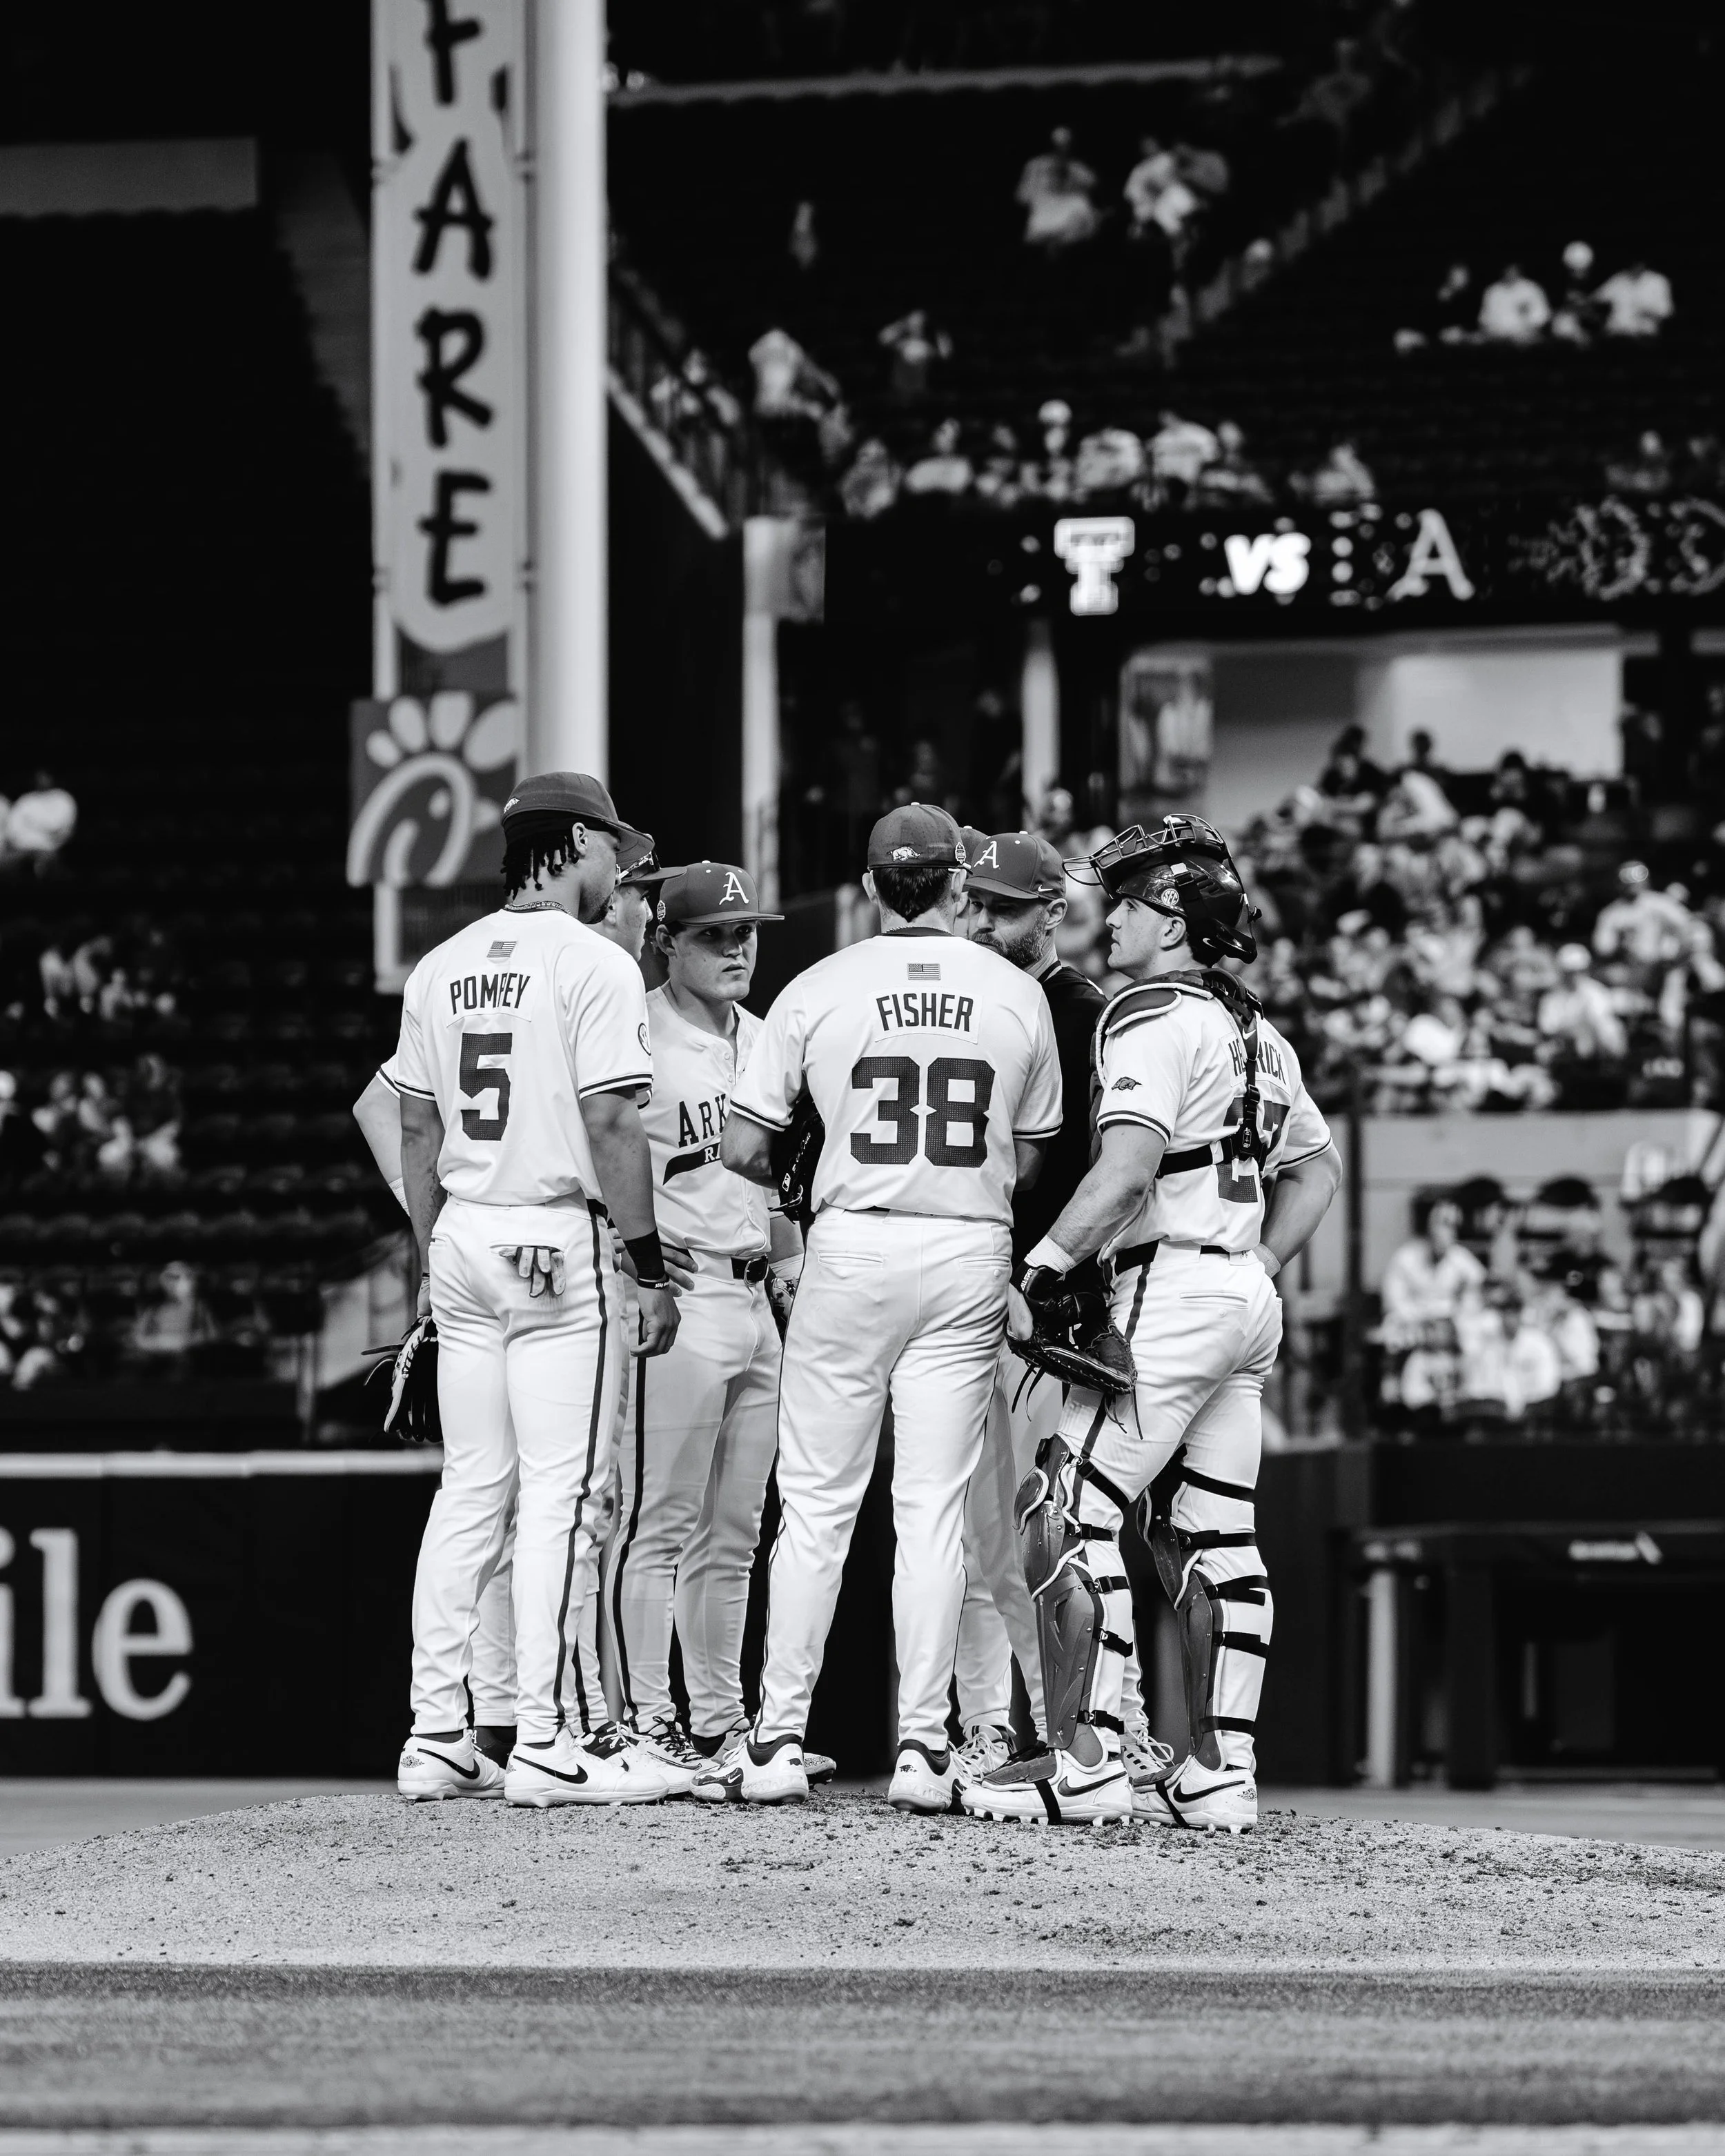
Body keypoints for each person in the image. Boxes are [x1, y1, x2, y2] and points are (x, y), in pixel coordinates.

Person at [963, 815, 1341, 1830]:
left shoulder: (1147, 1012)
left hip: (1168, 1287)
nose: (1111, 915)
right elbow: (1318, 1171)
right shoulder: (1258, 1030)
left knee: (1061, 1509)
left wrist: (1039, 1269)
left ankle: (1088, 1757)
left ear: (1172, 921)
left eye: (1127, 901)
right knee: (1215, 1534)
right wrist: (1255, 1266)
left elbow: (1127, 1169)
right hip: (1240, 1295)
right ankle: (1221, 1773)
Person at [702, 804, 1062, 1812]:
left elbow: (741, 1147)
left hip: (852, 1241)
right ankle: (923, 1747)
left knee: (816, 1505)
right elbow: (1035, 1154)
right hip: (967, 1243)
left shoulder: (817, 985)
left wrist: (815, 1157)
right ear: (958, 884)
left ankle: (777, 1738)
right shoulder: (1014, 992)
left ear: (870, 888)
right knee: (933, 1512)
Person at [393, 772, 682, 1810]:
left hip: (465, 1233)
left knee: (470, 1490)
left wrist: (432, 1259)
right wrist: (649, 1266)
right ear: (572, 844)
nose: (618, 863)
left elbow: (415, 1126)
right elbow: (611, 1123)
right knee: (560, 1493)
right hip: (554, 1236)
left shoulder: (440, 964)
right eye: (610, 842)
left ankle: (435, 1732)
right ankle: (547, 1739)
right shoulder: (592, 961)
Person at [600, 863, 825, 1789]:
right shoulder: (636, 1031)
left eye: (746, 932)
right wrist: (627, 1251)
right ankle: (644, 1721)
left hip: (754, 1295)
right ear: (667, 941)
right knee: (657, 1523)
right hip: (680, 1299)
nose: (736, 949)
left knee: (734, 1533)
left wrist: (793, 1284)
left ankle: (720, 1724)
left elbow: (776, 1189)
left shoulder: (768, 1038)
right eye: (713, 935)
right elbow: (594, 1145)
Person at [952, 830, 1168, 1788]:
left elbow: (1102, 1175)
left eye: (1004, 907)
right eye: (975, 903)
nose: (983, 922)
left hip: (1048, 1308)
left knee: (1053, 1529)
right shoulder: (980, 1003)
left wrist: (1054, 1281)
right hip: (983, 1291)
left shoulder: (1083, 1011)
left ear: (1052, 911)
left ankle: (1114, 1728)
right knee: (986, 1536)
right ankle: (1017, 1731)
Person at [1016, 128, 1098, 250]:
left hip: (1069, 210)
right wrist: (1041, 192)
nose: (1061, 150)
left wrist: (1071, 181)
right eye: (1058, 146)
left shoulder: (1075, 167)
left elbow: (1092, 183)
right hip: (1045, 208)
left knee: (1082, 205)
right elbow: (1022, 196)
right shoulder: (1035, 166)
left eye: (1065, 146)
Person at [1595, 259, 1673, 339]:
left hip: (1643, 336)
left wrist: (1648, 312)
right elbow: (1596, 299)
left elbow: (1666, 312)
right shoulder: (1618, 279)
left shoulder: (1658, 281)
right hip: (1615, 334)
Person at [1477, 265, 1550, 344]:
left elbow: (1542, 317)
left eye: (1513, 269)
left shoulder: (1532, 289)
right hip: (1497, 339)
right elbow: (1485, 320)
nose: (1510, 273)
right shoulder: (1493, 291)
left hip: (1525, 340)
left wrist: (1528, 333)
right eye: (1507, 270)